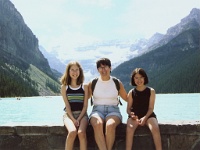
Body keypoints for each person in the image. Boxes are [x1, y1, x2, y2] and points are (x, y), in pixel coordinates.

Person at [88, 58, 127, 150]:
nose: (103, 70)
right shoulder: (93, 83)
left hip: (113, 111)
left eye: (105, 67)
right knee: (97, 124)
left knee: (110, 125)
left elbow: (127, 98)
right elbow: (85, 99)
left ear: (110, 68)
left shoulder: (116, 82)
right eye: (100, 68)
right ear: (98, 70)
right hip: (97, 111)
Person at [126, 68, 162, 150]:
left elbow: (151, 108)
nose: (139, 80)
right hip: (135, 116)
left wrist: (145, 118)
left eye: (141, 77)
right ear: (133, 79)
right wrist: (131, 114)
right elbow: (128, 109)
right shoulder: (131, 92)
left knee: (155, 128)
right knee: (130, 129)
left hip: (149, 115)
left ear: (144, 78)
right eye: (136, 78)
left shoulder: (151, 91)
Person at [60, 61, 88, 150]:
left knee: (81, 133)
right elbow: (67, 105)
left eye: (77, 70)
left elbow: (85, 106)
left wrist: (78, 119)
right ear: (68, 71)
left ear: (80, 72)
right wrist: (73, 119)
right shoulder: (64, 87)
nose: (75, 72)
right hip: (69, 115)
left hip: (82, 115)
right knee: (72, 132)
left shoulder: (85, 86)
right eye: (72, 70)